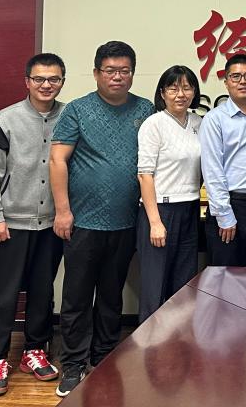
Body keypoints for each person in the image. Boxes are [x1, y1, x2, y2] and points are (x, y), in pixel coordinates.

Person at [50, 40, 153, 397]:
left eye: (124, 70)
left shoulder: (145, 109)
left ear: (132, 74)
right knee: (77, 296)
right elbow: (58, 160)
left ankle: (105, 355)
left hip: (126, 222)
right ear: (96, 73)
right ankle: (73, 362)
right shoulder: (77, 110)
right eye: (110, 70)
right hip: (82, 223)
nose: (117, 77)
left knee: (112, 295)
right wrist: (63, 211)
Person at [0, 53, 67, 397]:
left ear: (62, 81)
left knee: (43, 291)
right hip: (11, 223)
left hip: (52, 223)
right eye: (39, 79)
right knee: (5, 294)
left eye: (54, 79)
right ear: (27, 81)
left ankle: (34, 350)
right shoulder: (5, 120)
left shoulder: (70, 117)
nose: (46, 85)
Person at [136, 65, 202, 323]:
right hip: (160, 211)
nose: (180, 94)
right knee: (156, 285)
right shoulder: (154, 124)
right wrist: (155, 222)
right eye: (173, 88)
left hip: (190, 208)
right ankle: (150, 344)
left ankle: (179, 341)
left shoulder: (198, 123)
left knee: (184, 284)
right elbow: (145, 174)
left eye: (186, 87)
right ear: (162, 93)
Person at [200, 53, 246, 267]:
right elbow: (212, 170)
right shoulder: (215, 119)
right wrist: (224, 214)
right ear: (226, 82)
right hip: (231, 205)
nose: (243, 81)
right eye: (236, 76)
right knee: (225, 277)